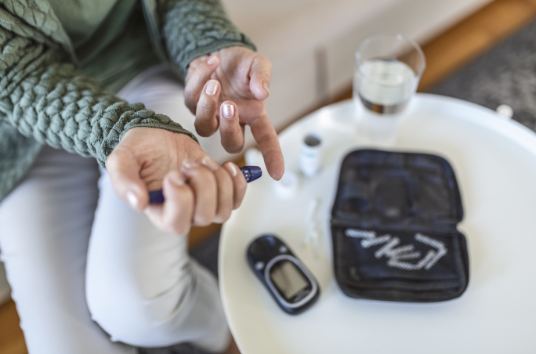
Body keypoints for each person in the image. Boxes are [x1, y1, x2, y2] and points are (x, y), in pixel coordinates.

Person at [0, 0, 284, 353]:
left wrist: (207, 49)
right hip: (22, 127)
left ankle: (221, 329)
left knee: (136, 307)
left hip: (140, 66)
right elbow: (14, 76)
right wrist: (118, 130)